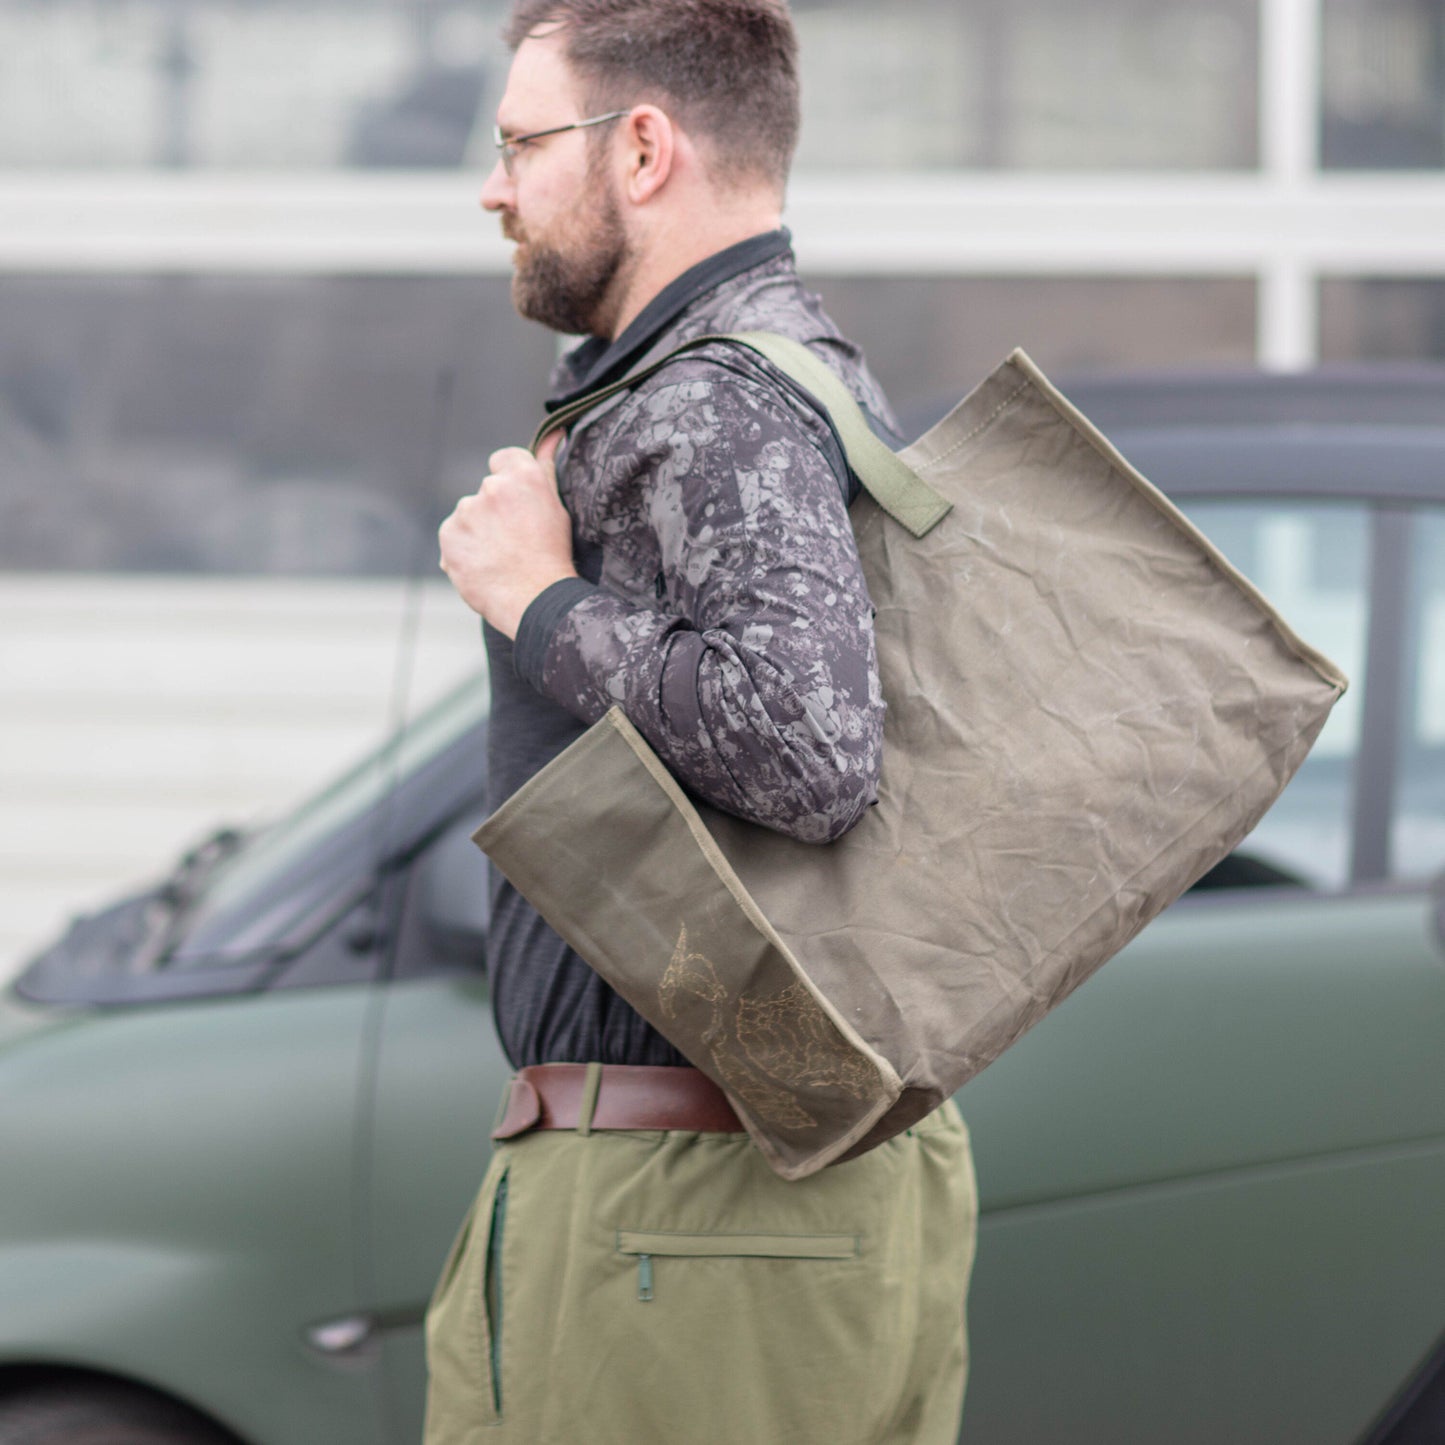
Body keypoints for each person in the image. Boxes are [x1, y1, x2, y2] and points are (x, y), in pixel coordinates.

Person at [429, 3, 977, 1441]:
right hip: (705, 1204)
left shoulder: (717, 396)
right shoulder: (766, 373)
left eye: (520, 145)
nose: (495, 189)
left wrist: (534, 599)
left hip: (693, 1215)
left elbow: (806, 746)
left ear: (645, 148)